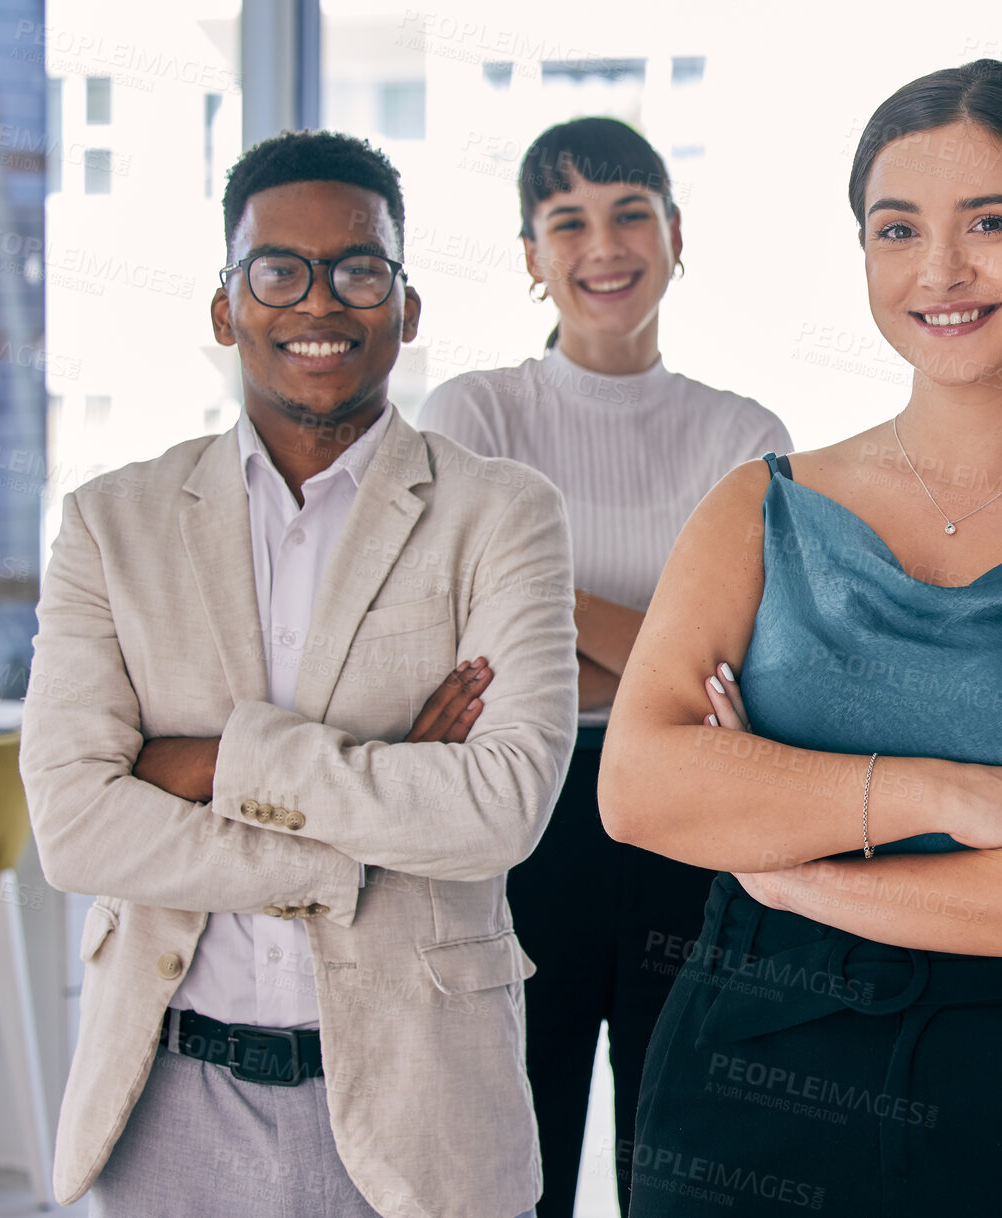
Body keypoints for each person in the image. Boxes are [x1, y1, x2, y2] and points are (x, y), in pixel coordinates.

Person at [598, 60, 1002, 1216]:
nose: (939, 270)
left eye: (989, 222)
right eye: (898, 230)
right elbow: (641, 787)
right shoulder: (759, 504)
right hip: (746, 1081)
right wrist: (942, 794)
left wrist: (793, 873)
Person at [20, 130, 579, 1218]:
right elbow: (78, 826)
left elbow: (502, 808)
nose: (319, 302)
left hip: (425, 1105)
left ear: (406, 307)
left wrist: (218, 760)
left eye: (359, 269)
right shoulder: (110, 523)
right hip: (171, 1098)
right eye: (278, 270)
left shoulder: (504, 514)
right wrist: (356, 831)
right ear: (227, 307)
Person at [417, 116, 791, 1218]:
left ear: (677, 234)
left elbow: (745, 671)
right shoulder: (474, 414)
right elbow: (462, 652)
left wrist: (542, 602)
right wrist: (663, 642)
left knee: (672, 1153)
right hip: (516, 819)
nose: (604, 244)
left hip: (688, 820)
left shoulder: (745, 433)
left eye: (631, 212)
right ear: (531, 256)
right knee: (513, 1153)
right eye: (566, 221)